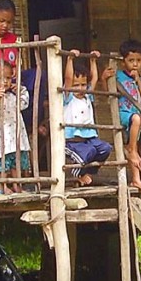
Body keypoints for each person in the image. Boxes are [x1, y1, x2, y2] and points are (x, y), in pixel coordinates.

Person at [103, 39, 141, 195]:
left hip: (136, 118)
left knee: (137, 131)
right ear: (123, 62)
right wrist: (104, 78)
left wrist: (138, 81)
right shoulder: (118, 75)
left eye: (138, 60)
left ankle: (136, 178)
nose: (135, 64)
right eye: (131, 61)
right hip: (124, 114)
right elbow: (108, 93)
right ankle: (131, 149)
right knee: (137, 121)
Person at [62, 50, 112, 186]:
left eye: (83, 85)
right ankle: (77, 174)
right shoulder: (68, 97)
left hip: (90, 138)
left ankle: (86, 172)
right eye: (76, 85)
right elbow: (68, 79)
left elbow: (94, 79)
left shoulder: (87, 96)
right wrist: (70, 60)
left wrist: (92, 61)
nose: (80, 88)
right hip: (72, 140)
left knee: (105, 148)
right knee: (88, 152)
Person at [0, 58, 30, 193]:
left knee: (16, 162)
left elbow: (24, 104)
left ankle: (17, 185)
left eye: (7, 78)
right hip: (3, 137)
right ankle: (3, 186)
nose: (5, 81)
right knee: (3, 163)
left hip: (17, 134)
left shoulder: (12, 96)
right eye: (0, 78)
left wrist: (20, 90)